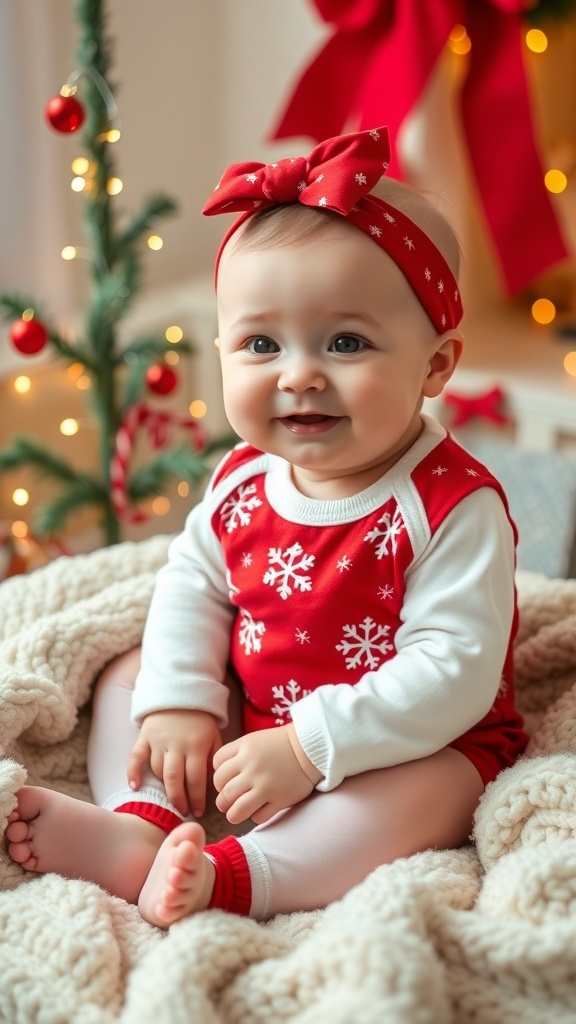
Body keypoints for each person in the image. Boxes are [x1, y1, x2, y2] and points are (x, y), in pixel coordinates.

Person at [6, 126, 528, 927]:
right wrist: (180, 700)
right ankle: (137, 822)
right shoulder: (243, 477)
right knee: (133, 671)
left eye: (346, 342)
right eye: (259, 344)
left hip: (401, 738)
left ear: (435, 364)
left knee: (438, 792)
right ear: (222, 353)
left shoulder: (452, 506)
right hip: (255, 707)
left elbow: (452, 671)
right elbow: (195, 582)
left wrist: (310, 747)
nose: (299, 374)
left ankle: (235, 875)